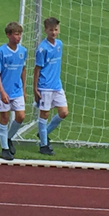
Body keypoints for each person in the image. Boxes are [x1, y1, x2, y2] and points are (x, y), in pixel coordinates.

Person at [0, 21, 27, 161]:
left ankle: (8, 137)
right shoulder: (1, 52)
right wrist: (2, 91)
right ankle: (4, 149)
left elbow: (23, 69)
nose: (19, 37)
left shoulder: (23, 51)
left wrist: (24, 89)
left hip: (17, 90)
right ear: (8, 35)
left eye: (20, 34)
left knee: (21, 116)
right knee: (4, 118)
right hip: (4, 91)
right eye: (16, 34)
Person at [34, 17, 68, 156]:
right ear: (45, 30)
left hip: (57, 85)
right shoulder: (42, 49)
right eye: (50, 30)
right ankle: (43, 146)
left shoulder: (59, 44)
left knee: (63, 112)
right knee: (45, 114)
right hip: (45, 86)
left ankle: (43, 134)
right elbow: (37, 69)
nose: (53, 32)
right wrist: (35, 88)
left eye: (55, 30)